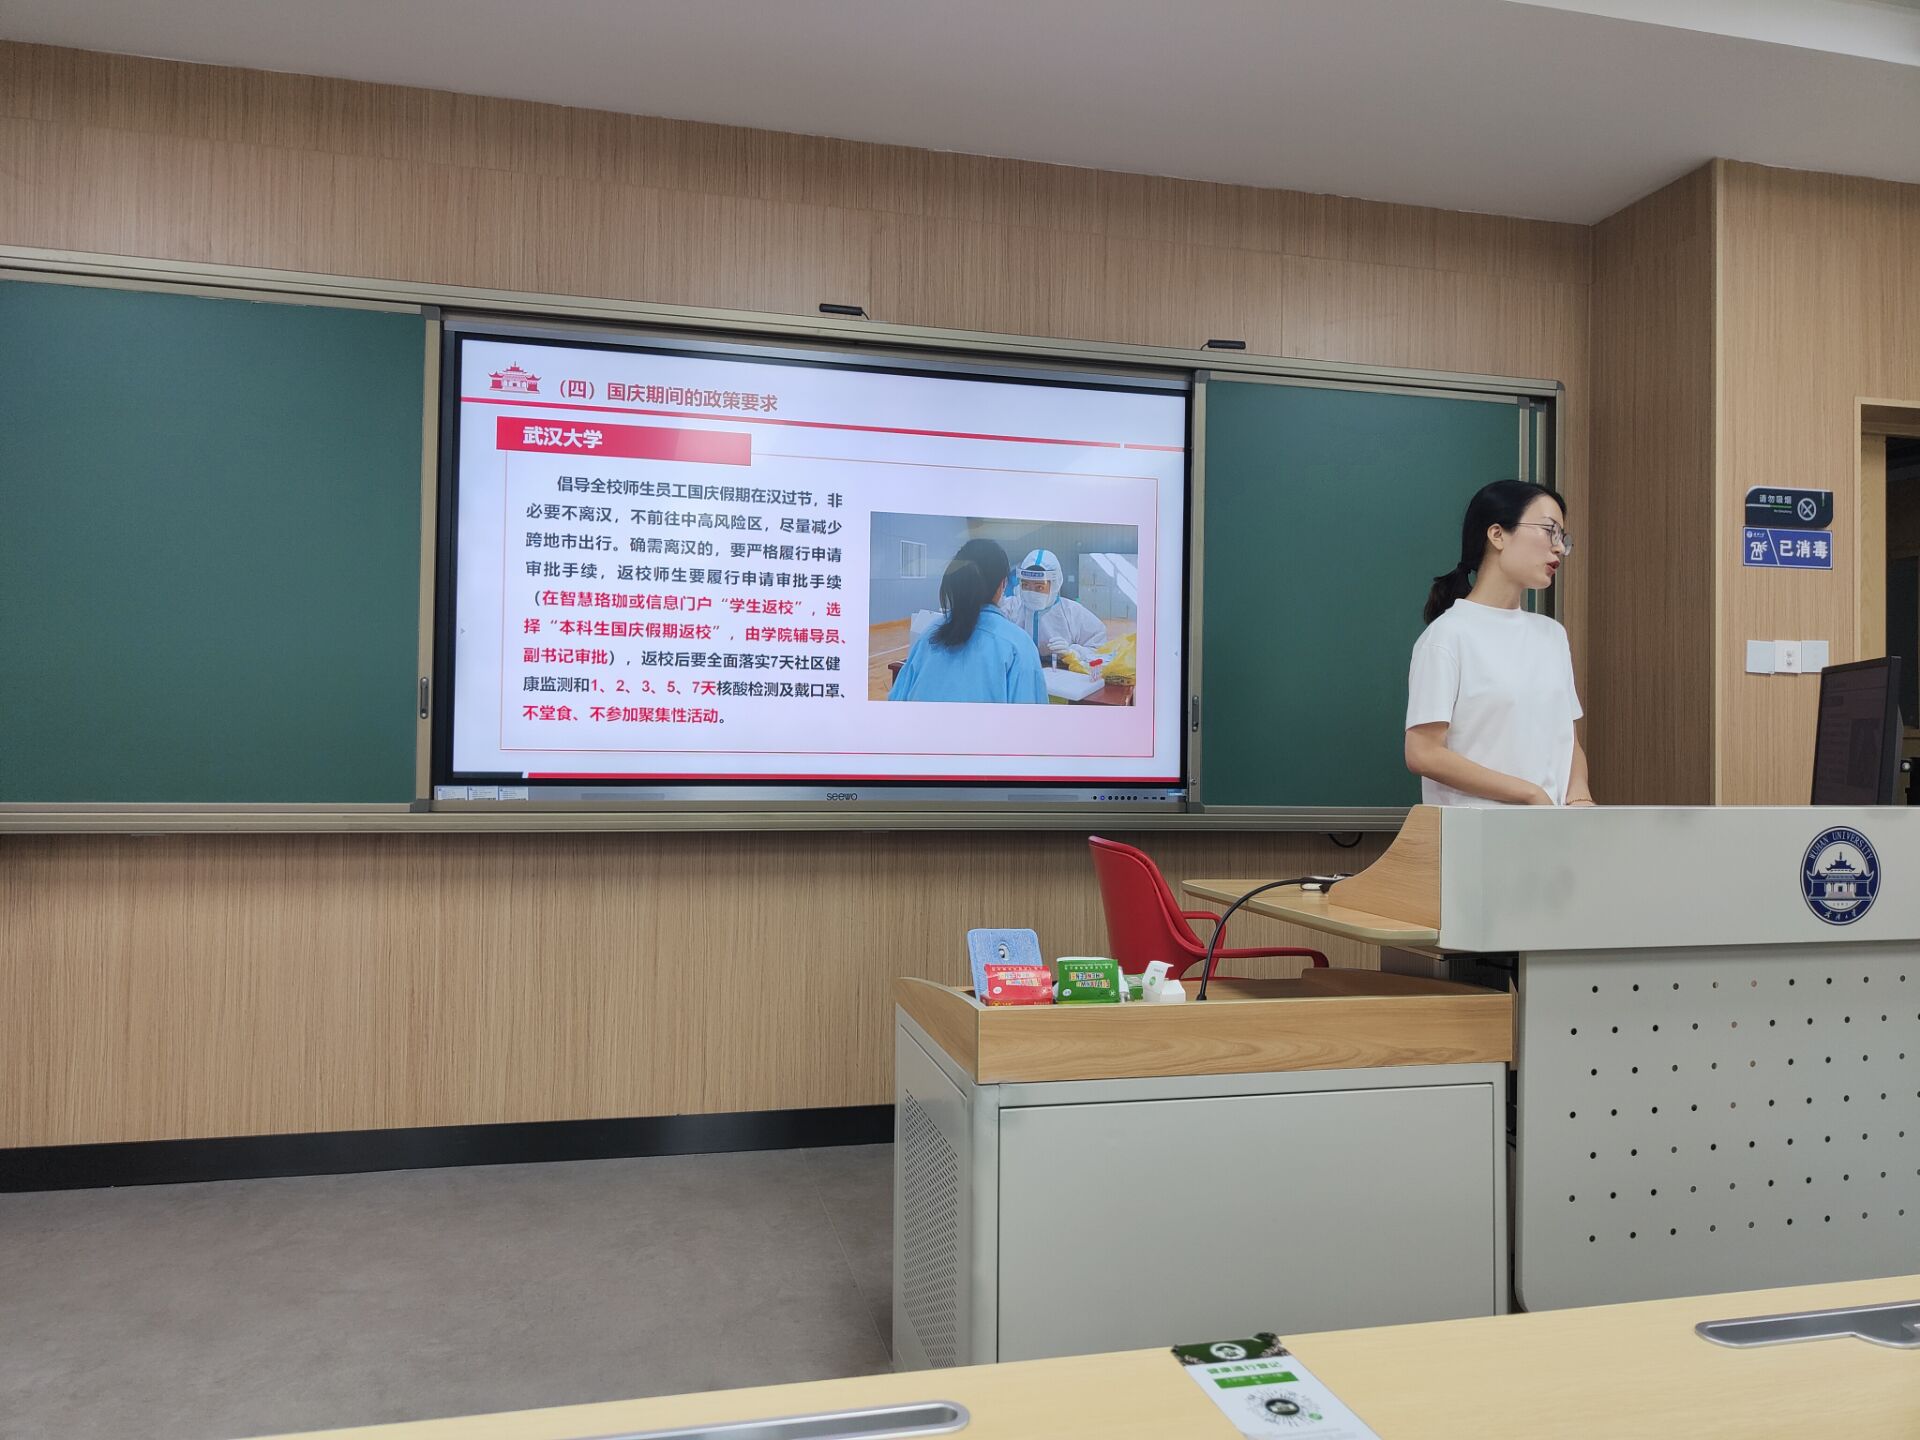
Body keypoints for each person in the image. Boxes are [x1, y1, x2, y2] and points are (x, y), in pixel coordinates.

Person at [1404, 480, 1592, 807]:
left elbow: (1568, 741)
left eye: (1562, 538)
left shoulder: (1552, 636)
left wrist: (1579, 798)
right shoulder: (1448, 636)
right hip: (1477, 832)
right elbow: (1423, 753)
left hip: (1551, 831)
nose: (1559, 548)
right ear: (1497, 535)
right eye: (1550, 531)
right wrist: (1530, 794)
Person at [888, 538, 1049, 704]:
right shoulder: (1018, 646)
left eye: (1039, 586)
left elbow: (897, 700)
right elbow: (1032, 716)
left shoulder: (929, 635)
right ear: (1003, 584)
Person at [998, 548, 1107, 663]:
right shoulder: (1010, 608)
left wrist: (1074, 653)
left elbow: (1100, 650)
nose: (1031, 592)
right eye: (1025, 585)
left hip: (1061, 672)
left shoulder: (1073, 613)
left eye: (1039, 587)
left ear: (1055, 584)